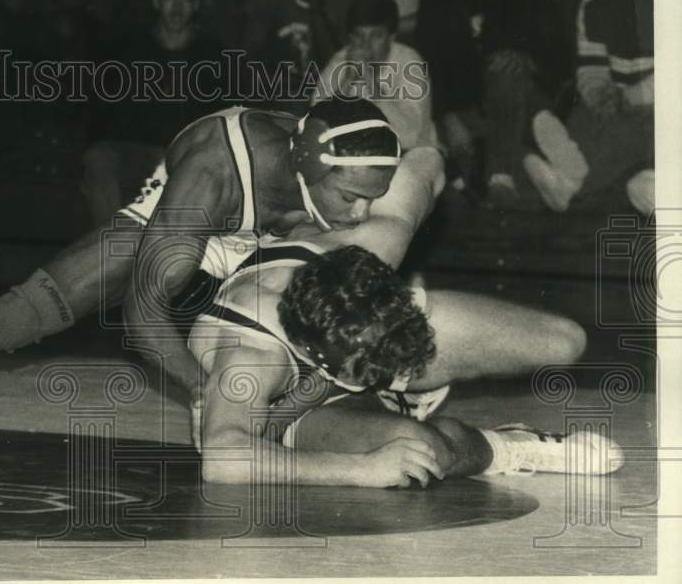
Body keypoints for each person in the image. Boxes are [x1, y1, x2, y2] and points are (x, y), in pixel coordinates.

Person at [0, 98, 403, 444]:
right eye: (349, 195)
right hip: (190, 221)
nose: (360, 208)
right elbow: (142, 317)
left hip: (262, 232)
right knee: (24, 313)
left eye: (371, 194)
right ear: (305, 163)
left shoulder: (332, 159)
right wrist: (199, 390)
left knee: (353, 290)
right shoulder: (210, 180)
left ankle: (399, 392)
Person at [189, 144, 620, 486]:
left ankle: (399, 390)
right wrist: (362, 471)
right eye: (369, 370)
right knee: (421, 451)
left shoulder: (378, 238)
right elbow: (223, 458)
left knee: (562, 342)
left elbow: (426, 160)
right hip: (294, 407)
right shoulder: (251, 355)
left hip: (354, 328)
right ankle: (511, 445)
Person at [417, 0, 574, 209]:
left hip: (525, 91)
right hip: (471, 111)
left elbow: (560, 51)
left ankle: (501, 177)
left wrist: (526, 58)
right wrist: (448, 118)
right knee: (456, 152)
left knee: (504, 69)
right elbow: (429, 69)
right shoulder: (436, 1)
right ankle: (533, 164)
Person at [523, 0, 654, 213]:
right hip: (616, 95)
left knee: (633, 131)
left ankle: (569, 182)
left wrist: (629, 98)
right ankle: (570, 163)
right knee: (587, 116)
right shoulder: (596, 5)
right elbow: (591, 68)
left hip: (656, 102)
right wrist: (599, 95)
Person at [82, 0, 223, 225]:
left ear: (196, 5)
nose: (177, 8)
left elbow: (221, 120)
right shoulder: (128, 49)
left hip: (186, 156)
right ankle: (115, 247)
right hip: (137, 151)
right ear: (156, 2)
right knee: (98, 157)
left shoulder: (212, 55)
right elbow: (103, 115)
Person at [244, 0, 359, 114]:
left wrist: (316, 8)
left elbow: (342, 65)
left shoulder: (349, 1)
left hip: (332, 92)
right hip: (280, 93)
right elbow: (251, 57)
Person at [312, 0, 436, 151]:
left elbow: (410, 137)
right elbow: (316, 129)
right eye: (358, 36)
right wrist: (348, 80)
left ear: (391, 37)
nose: (366, 45)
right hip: (360, 159)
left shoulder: (410, 62)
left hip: (416, 155)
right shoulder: (341, 60)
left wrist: (371, 81)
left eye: (375, 36)